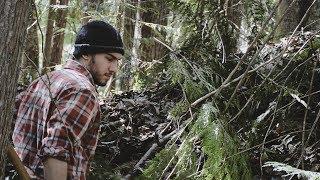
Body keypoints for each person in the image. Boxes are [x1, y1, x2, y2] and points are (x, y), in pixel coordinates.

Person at [12, 20, 124, 179]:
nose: (114, 68)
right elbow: (55, 151)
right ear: (86, 53)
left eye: (117, 61)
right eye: (109, 58)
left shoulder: (43, 81)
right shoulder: (82, 91)